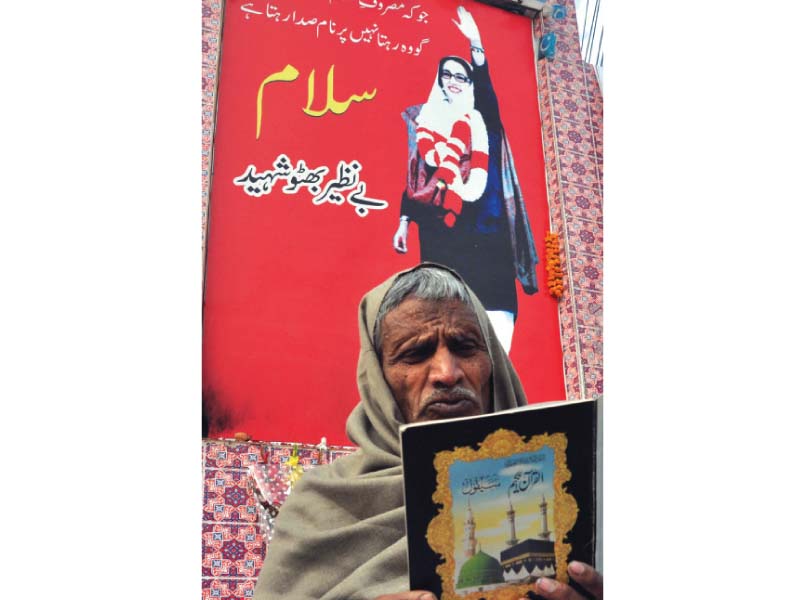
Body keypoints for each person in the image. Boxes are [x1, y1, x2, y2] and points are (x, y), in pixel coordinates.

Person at [253, 264, 602, 600]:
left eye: (465, 347)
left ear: (493, 361)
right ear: (378, 379)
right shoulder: (322, 505)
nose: (447, 373)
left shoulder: (575, 480)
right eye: (416, 354)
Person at [393, 6, 539, 353]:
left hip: (487, 228)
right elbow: (416, 177)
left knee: (496, 323)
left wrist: (476, 43)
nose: (454, 81)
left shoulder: (482, 117)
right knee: (448, 323)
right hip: (443, 232)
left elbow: (486, 89)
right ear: (440, 80)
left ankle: (499, 394)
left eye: (462, 76)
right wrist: (403, 222)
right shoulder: (425, 121)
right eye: (448, 75)